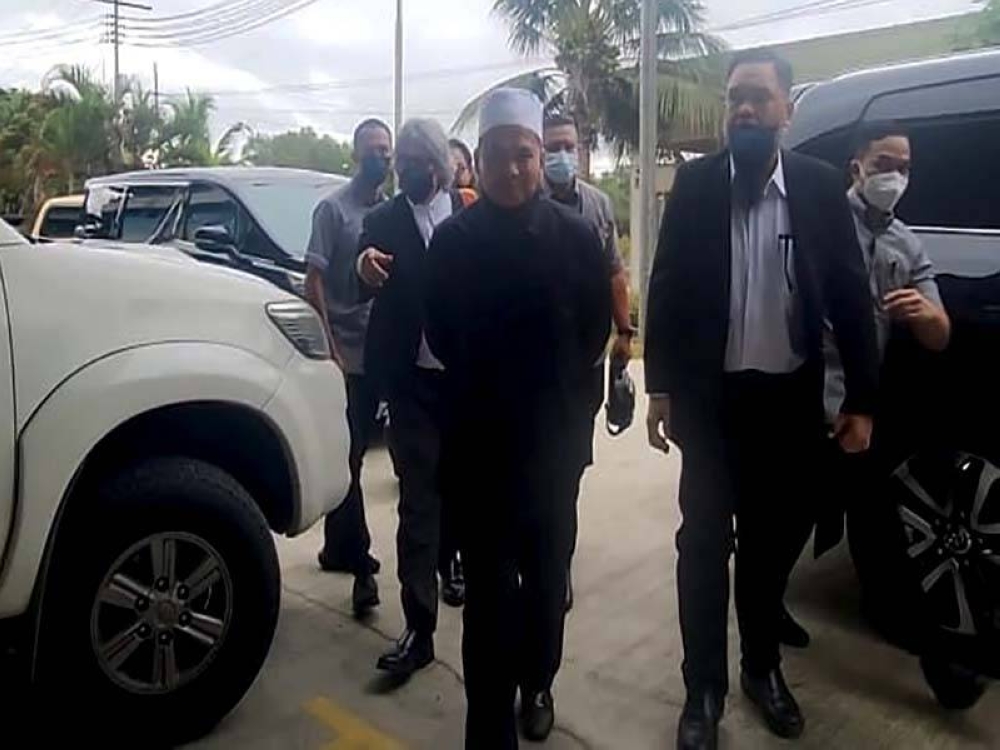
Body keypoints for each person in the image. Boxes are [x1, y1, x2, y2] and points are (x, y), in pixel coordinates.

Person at [644, 48, 880, 750]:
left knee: (769, 547)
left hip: (786, 404)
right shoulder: (695, 186)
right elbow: (667, 286)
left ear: (786, 111)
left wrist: (862, 399)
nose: (744, 109)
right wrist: (659, 387)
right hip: (711, 406)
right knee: (702, 546)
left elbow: (850, 295)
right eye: (735, 98)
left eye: (758, 97)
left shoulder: (817, 188)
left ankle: (761, 667)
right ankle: (702, 690)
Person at [425, 88, 611, 749]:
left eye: (524, 156)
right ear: (478, 159)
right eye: (499, 156)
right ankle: (488, 723)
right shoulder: (452, 242)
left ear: (541, 158)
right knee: (488, 598)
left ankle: (538, 683)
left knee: (546, 585)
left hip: (552, 449)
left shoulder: (576, 237)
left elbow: (594, 330)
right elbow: (440, 334)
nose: (512, 169)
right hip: (480, 451)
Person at [778, 120, 954, 649]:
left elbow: (940, 335)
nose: (893, 177)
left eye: (903, 168)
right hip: (804, 396)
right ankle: (765, 609)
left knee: (876, 520)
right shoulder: (820, 221)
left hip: (860, 407)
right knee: (788, 519)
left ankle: (918, 640)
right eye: (883, 165)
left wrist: (925, 313)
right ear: (857, 167)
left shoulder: (906, 244)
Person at [355, 118, 464, 679]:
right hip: (412, 386)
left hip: (467, 384)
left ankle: (455, 564)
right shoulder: (383, 220)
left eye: (418, 164)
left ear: (439, 166)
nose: (408, 173)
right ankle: (419, 629)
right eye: (403, 165)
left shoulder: (470, 215)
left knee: (465, 494)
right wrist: (363, 268)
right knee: (417, 503)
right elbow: (359, 276)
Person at [542, 112, 634, 612]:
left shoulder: (597, 205)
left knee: (570, 465)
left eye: (568, 146)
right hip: (532, 364)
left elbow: (615, 272)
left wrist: (624, 332)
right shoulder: (522, 201)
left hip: (584, 361)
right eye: (552, 146)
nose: (561, 155)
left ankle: (557, 563)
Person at [305, 118, 392, 616]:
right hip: (346, 355)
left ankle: (337, 548)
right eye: (373, 150)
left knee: (356, 458)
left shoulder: (390, 211)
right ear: (356, 155)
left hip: (383, 351)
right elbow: (313, 280)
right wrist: (331, 345)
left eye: (387, 150)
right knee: (352, 455)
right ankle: (361, 566)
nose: (382, 158)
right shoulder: (333, 210)